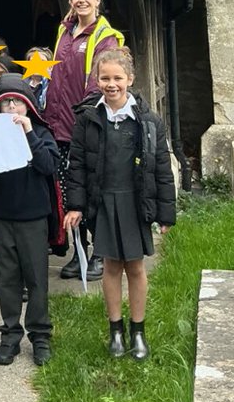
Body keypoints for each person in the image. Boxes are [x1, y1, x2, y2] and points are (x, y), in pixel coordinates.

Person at [64, 47, 176, 361]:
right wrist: (75, 205)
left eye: (117, 78)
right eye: (105, 78)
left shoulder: (148, 121)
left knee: (135, 267)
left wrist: (165, 212)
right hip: (104, 201)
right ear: (96, 80)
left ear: (130, 79)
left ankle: (138, 330)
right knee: (111, 266)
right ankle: (115, 329)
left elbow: (162, 168)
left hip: (134, 202)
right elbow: (77, 166)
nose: (111, 84)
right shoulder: (87, 119)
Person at [0, 76, 60, 366]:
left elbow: (48, 166)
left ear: (28, 105)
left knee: (36, 280)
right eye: (6, 102)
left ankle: (40, 335)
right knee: (8, 280)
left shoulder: (41, 133)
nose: (12, 107)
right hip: (2, 218)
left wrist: (29, 134)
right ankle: (10, 334)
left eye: (18, 102)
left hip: (33, 218)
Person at [46, 0, 124, 281]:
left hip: (87, 127)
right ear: (70, 1)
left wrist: (84, 120)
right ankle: (79, 251)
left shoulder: (105, 36)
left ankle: (99, 254)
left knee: (94, 191)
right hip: (59, 126)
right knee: (70, 193)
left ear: (97, 0)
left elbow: (99, 83)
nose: (81, 0)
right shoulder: (64, 31)